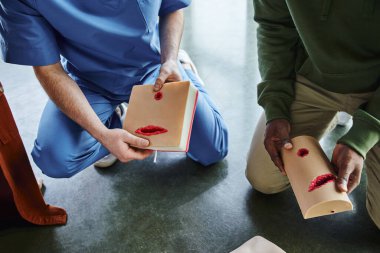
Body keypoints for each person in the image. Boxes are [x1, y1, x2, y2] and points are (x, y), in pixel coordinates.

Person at [0, 0, 228, 178]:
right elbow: (48, 69)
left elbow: (172, 8)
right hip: (87, 78)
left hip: (154, 66)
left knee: (212, 151)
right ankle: (114, 119)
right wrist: (103, 134)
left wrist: (168, 60)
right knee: (55, 159)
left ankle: (181, 63)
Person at [246, 0, 380, 228]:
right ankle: (332, 117)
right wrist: (276, 107)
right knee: (264, 179)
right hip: (313, 76)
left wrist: (363, 137)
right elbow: (273, 27)